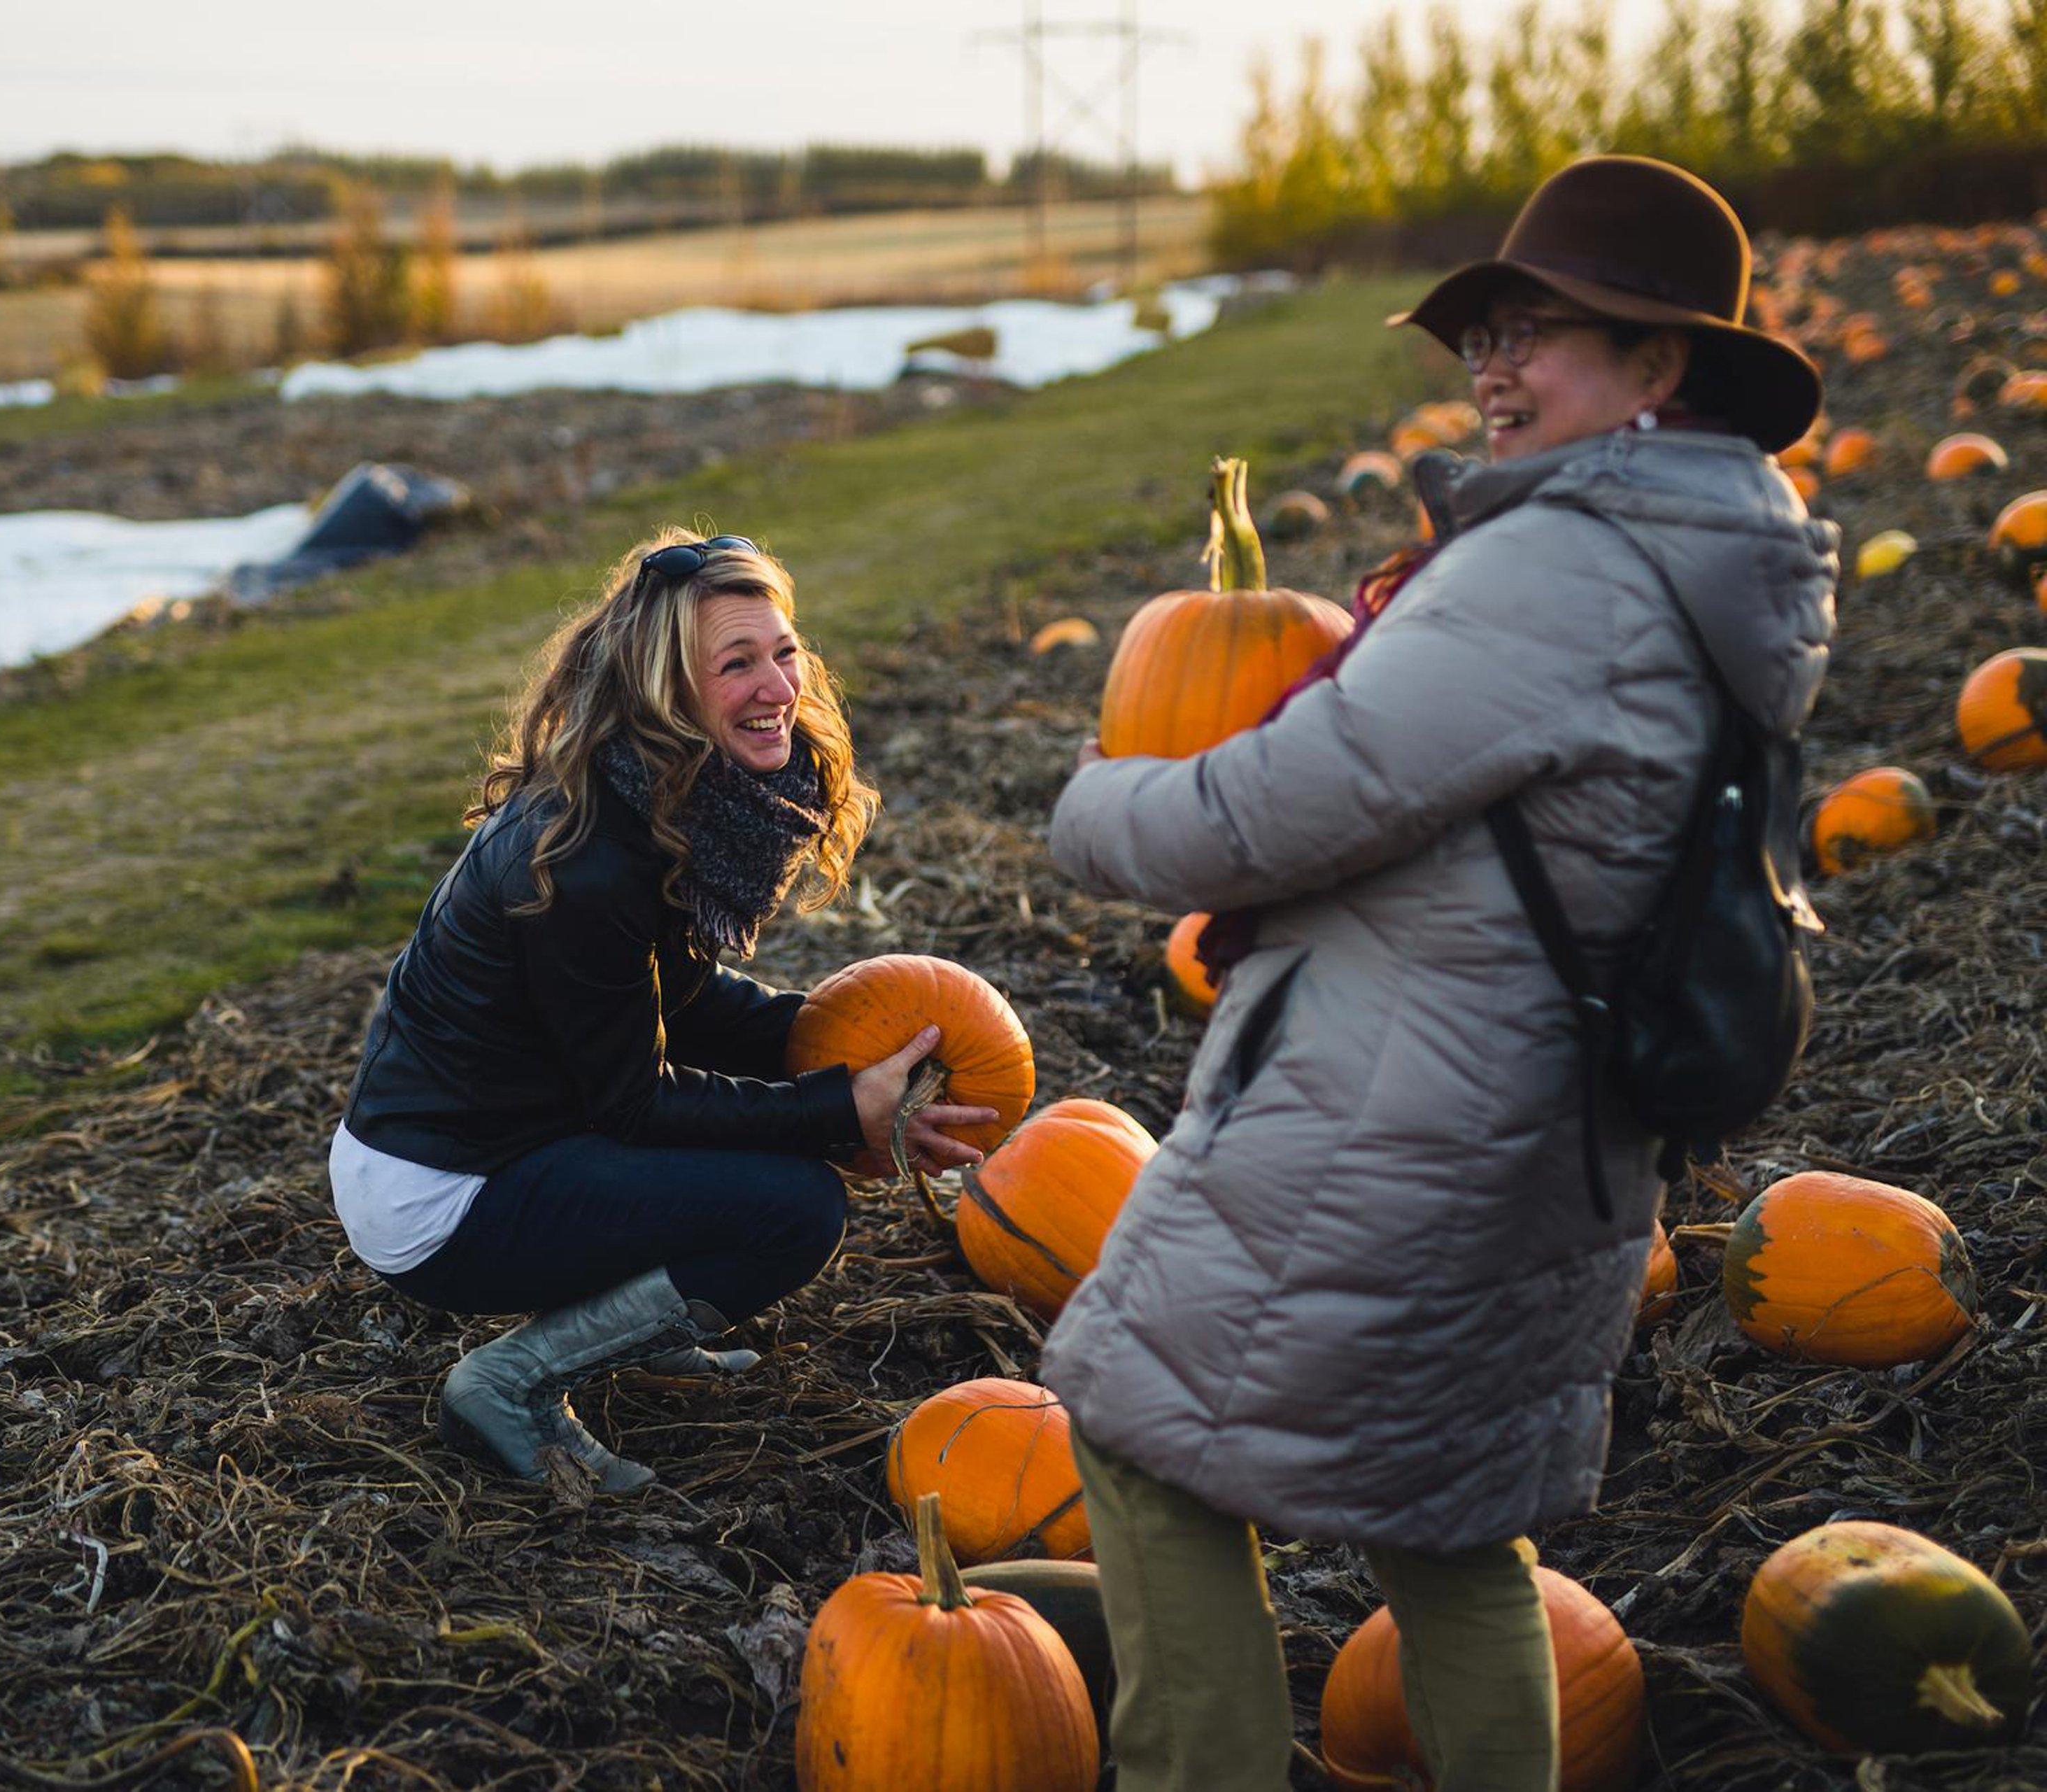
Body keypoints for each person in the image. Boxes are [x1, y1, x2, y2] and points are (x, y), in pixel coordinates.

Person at [1043, 155, 1839, 1791]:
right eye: (1484, 329)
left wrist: (1092, 803)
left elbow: (1267, 812)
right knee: (1455, 1530)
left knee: (1142, 1443)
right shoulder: (1706, 564)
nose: (1490, 365)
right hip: (1543, 1129)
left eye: (1541, 332)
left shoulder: (1559, 573)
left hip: (1397, 1125)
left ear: (1658, 367)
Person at [333, 530, 997, 1493]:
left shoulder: (667, 793)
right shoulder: (589, 854)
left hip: (515, 1132)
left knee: (761, 1164)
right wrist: (833, 1110)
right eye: (737, 664)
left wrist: (838, 1042)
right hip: (442, 1189)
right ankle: (510, 1382)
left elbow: (672, 1003)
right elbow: (632, 1101)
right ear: (665, 692)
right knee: (795, 1208)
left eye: (784, 651)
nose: (780, 687)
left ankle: (631, 1324)